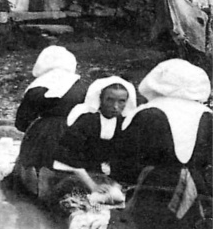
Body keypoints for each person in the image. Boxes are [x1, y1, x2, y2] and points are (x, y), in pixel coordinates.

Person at [110, 59, 212, 229]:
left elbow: (122, 162)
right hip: (198, 188)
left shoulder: (144, 114)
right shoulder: (208, 116)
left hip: (154, 188)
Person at [14, 45, 88, 196]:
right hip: (75, 134)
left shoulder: (37, 87)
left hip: (43, 135)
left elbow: (21, 122)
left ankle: (36, 183)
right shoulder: (82, 86)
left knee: (31, 162)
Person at [52, 76, 137, 192]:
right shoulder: (87, 121)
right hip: (76, 174)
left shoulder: (123, 125)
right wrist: (93, 186)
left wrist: (115, 187)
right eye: (110, 100)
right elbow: (69, 157)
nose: (115, 106)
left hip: (103, 176)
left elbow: (124, 160)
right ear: (100, 99)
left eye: (121, 101)